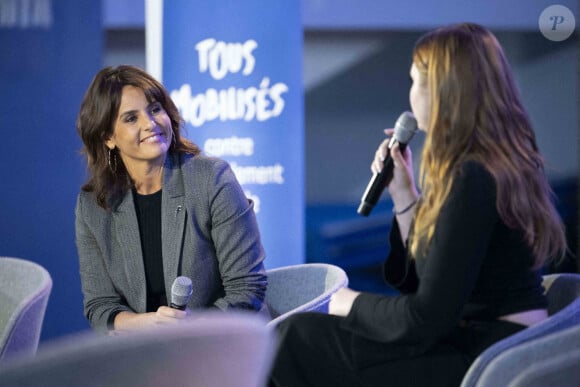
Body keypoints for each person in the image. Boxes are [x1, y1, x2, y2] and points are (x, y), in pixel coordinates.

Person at [270, 23, 567, 386]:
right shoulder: (496, 163)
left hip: (488, 351)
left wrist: (345, 302)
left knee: (298, 336)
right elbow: (425, 284)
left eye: (416, 82)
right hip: (477, 338)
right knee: (304, 334)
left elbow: (425, 316)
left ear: (445, 89)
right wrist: (404, 195)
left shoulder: (474, 176)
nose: (411, 96)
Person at [75, 65, 267, 333]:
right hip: (144, 350)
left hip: (222, 340)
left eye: (155, 109)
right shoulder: (94, 205)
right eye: (131, 118)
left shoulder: (211, 178)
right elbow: (100, 306)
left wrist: (184, 332)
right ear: (108, 137)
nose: (149, 123)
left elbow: (247, 288)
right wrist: (149, 326)